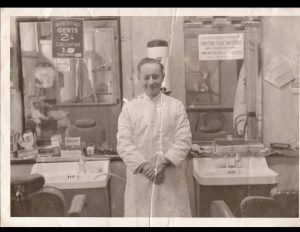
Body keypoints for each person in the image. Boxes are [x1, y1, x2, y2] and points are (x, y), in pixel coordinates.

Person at [117, 57, 192, 217]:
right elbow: (124, 143)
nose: (151, 82)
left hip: (169, 178)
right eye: (146, 77)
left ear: (163, 77)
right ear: (139, 78)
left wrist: (163, 163)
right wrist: (145, 167)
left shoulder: (176, 106)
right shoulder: (129, 109)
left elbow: (184, 140)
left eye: (155, 76)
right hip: (140, 179)